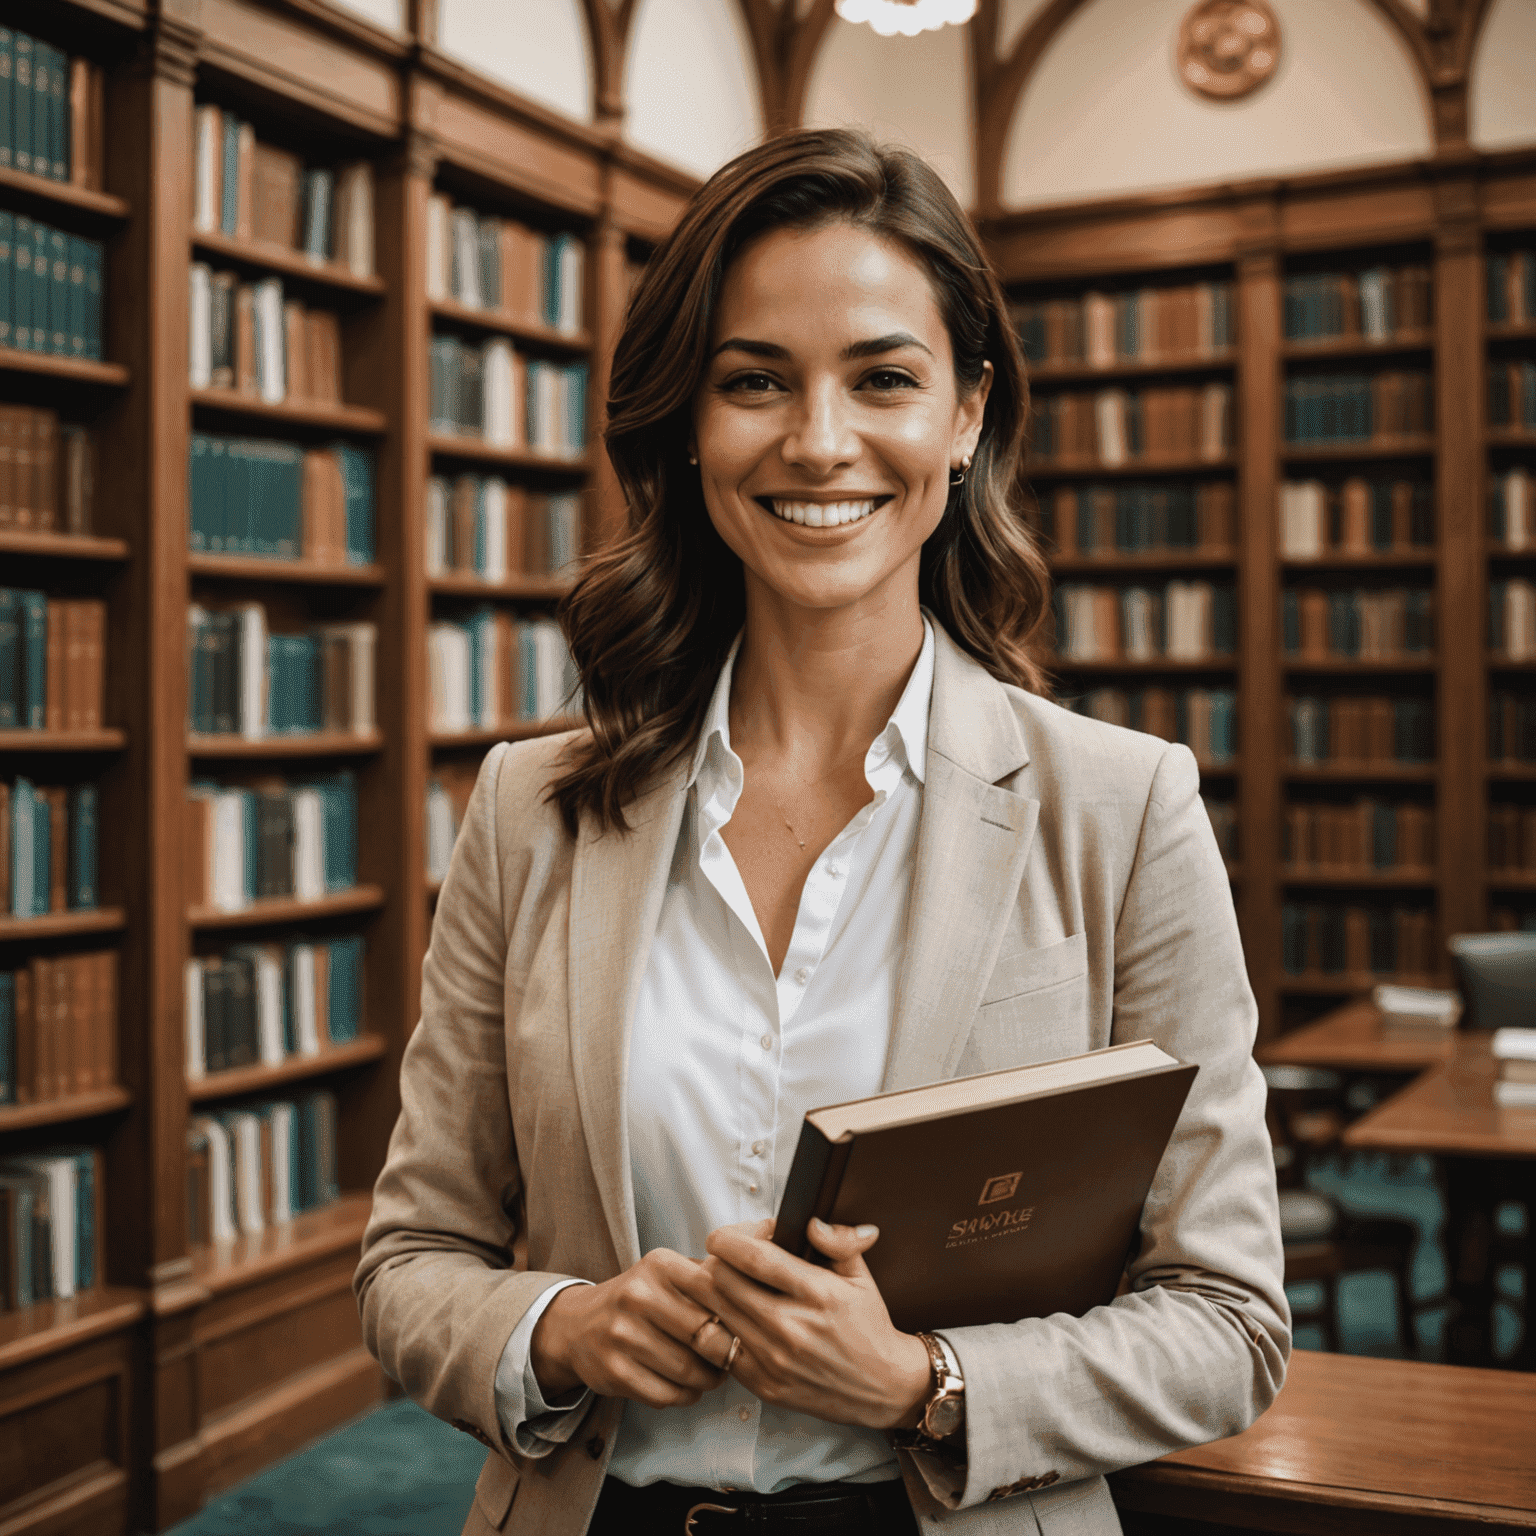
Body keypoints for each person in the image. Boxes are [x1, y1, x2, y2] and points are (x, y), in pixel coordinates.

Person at [355, 128, 1289, 1536]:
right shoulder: (527, 810)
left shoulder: (1124, 807)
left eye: (883, 378)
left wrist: (927, 1380)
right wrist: (563, 1331)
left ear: (967, 414)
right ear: (687, 417)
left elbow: (1230, 1321)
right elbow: (412, 1260)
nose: (818, 441)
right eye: (755, 382)